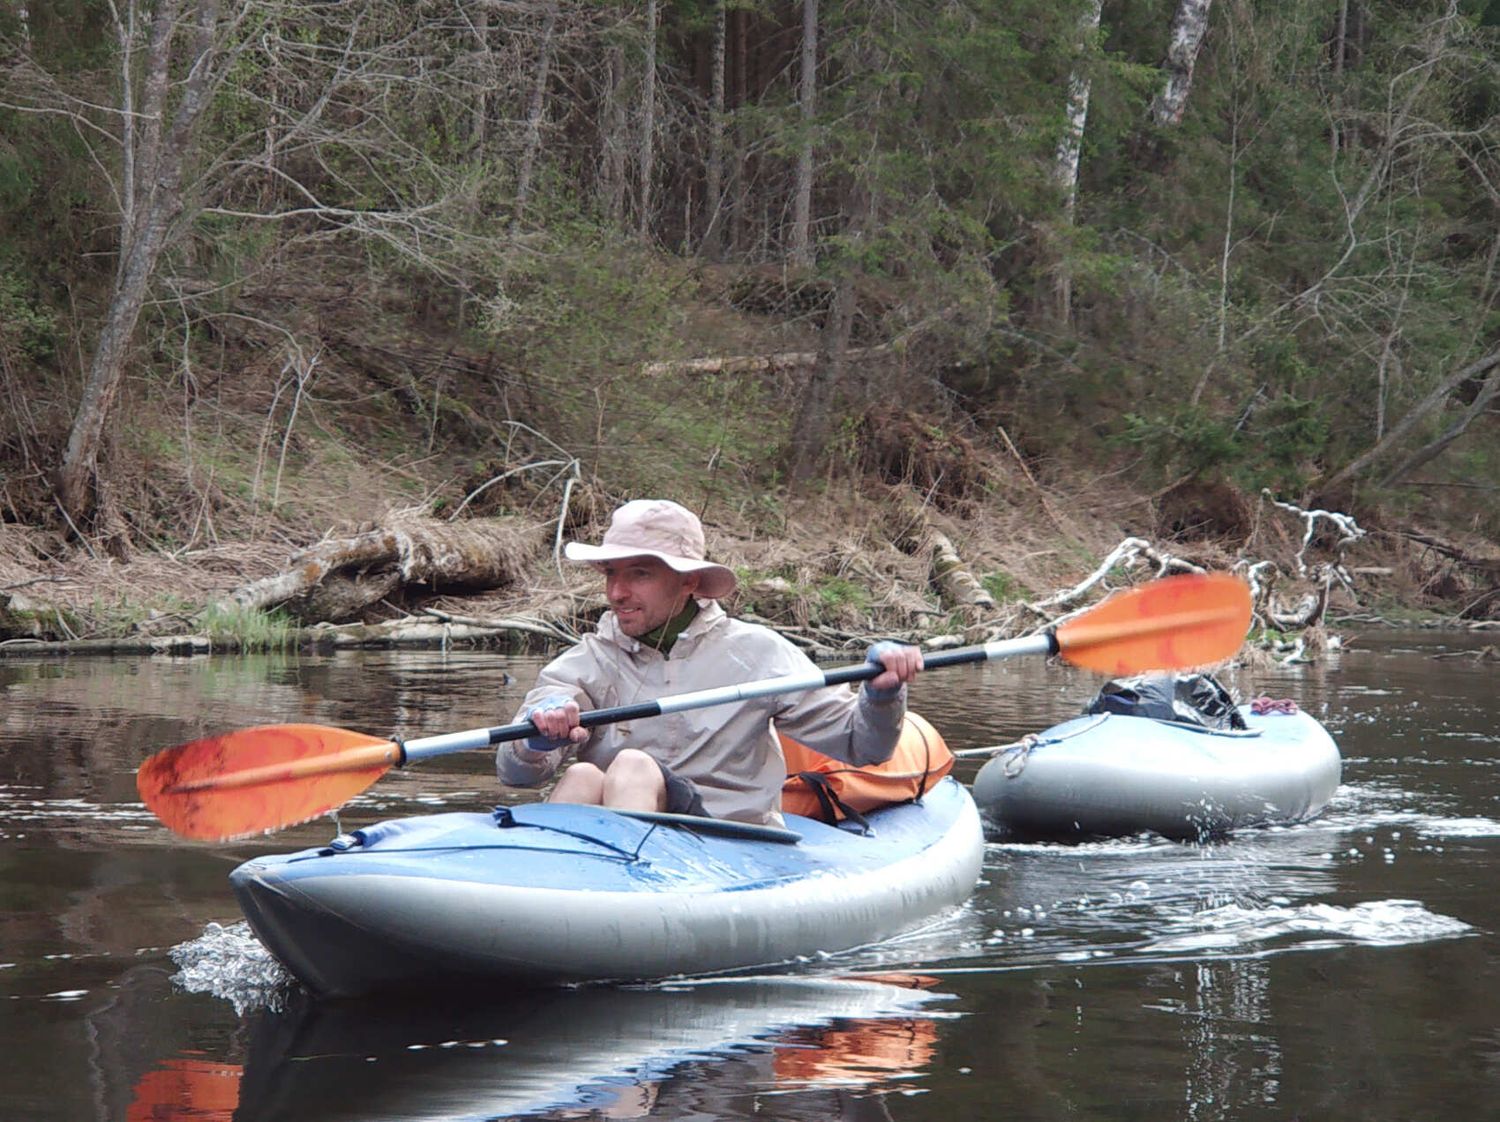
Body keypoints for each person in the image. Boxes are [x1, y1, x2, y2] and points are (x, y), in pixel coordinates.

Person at [496, 498, 924, 826]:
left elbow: (863, 746)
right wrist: (537, 741)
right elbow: (516, 775)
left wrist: (882, 697)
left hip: (731, 840)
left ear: (689, 581)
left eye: (639, 574)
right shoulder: (584, 663)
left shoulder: (758, 653)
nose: (617, 593)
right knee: (583, 777)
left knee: (632, 766)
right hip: (620, 831)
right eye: (611, 573)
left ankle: (622, 902)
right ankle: (553, 890)